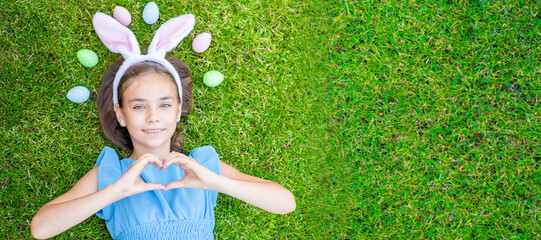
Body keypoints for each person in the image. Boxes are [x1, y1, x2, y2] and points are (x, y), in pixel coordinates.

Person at [31, 12, 295, 239]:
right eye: (138, 106)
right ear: (120, 115)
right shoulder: (112, 174)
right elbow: (41, 228)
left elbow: (285, 202)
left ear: (179, 110)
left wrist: (213, 182)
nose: (153, 116)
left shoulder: (201, 168)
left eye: (165, 105)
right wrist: (115, 192)